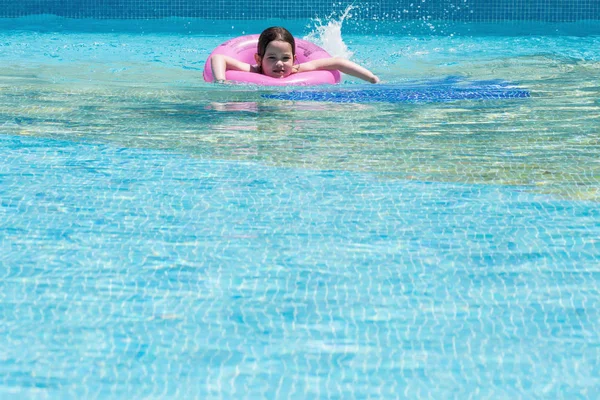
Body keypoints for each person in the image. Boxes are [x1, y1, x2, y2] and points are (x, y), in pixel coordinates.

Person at [210, 26, 380, 84]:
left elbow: (338, 62)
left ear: (294, 58)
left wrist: (372, 78)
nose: (280, 64)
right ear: (258, 59)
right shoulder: (254, 70)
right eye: (271, 58)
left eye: (285, 58)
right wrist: (220, 81)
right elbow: (218, 58)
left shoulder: (298, 70)